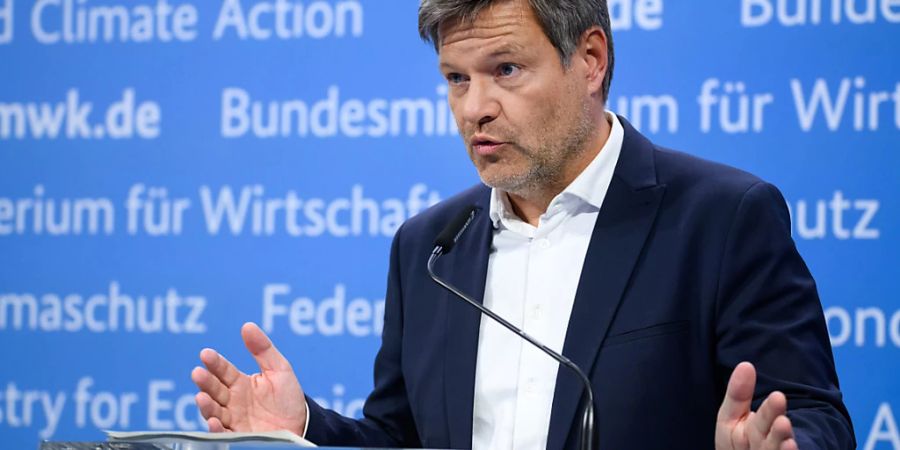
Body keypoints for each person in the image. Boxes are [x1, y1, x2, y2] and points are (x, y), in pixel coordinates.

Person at [191, 0, 856, 449]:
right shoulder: (429, 248)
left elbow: (815, 414)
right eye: (456, 78)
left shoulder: (721, 217)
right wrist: (302, 428)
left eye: (504, 70)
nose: (474, 108)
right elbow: (401, 437)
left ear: (590, 61)